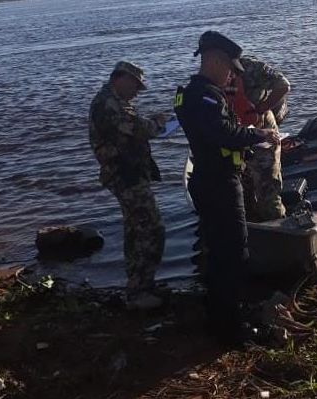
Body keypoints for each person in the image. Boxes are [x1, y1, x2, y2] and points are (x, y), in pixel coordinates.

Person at [174, 31, 280, 343]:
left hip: (208, 179)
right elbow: (223, 133)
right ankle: (231, 329)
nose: (232, 74)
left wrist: (244, 135)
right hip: (219, 182)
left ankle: (221, 317)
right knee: (234, 253)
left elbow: (218, 132)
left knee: (220, 252)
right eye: (230, 67)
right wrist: (259, 135)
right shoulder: (205, 96)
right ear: (216, 60)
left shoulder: (190, 94)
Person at [89, 61, 166, 309]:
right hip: (125, 175)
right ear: (120, 78)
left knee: (140, 228)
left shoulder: (115, 102)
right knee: (147, 227)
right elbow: (136, 127)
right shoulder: (106, 103)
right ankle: (138, 291)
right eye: (136, 85)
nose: (137, 92)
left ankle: (142, 285)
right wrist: (158, 123)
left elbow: (134, 126)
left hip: (131, 173)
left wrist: (154, 123)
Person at [230, 56, 291, 221]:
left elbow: (283, 85)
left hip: (262, 129)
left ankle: (279, 228)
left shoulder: (251, 67)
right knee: (244, 187)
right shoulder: (212, 75)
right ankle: (253, 226)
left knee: (268, 186)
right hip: (236, 133)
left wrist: (262, 108)